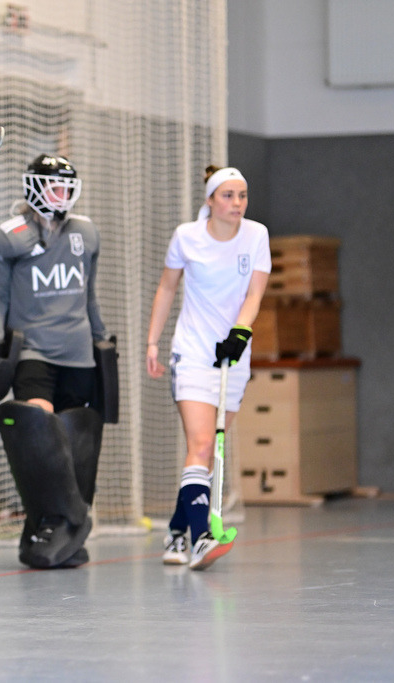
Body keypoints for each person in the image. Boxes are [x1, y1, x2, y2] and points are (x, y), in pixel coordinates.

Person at [0, 153, 111, 569]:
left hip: (78, 353)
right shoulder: (9, 235)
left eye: (68, 188)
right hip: (34, 350)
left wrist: (100, 338)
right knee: (38, 432)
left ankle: (63, 534)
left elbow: (88, 295)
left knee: (77, 441)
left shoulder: (86, 233)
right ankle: (68, 520)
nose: (63, 195)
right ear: (35, 187)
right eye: (56, 187)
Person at [145, 165, 270, 571]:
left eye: (243, 195)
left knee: (207, 450)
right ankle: (201, 538)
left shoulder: (257, 235)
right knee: (201, 444)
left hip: (234, 355)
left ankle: (177, 530)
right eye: (229, 195)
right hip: (194, 353)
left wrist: (240, 333)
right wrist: (152, 341)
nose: (237, 203)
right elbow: (167, 287)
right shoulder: (187, 237)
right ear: (210, 200)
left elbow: (254, 293)